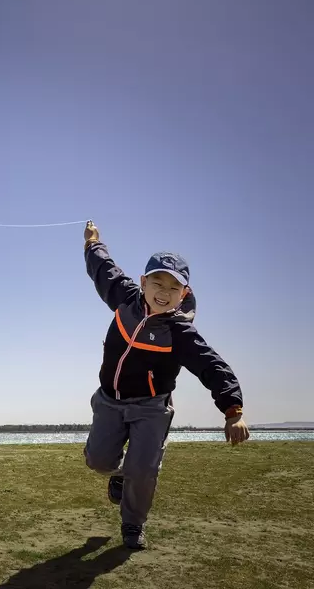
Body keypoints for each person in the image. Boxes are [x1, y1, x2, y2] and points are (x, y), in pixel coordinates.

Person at [82, 220, 249, 550]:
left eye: (174, 288)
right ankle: (118, 475)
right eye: (157, 282)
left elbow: (212, 366)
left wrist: (233, 410)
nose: (164, 292)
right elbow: (104, 269)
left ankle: (133, 525)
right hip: (109, 401)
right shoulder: (125, 299)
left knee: (143, 469)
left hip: (152, 408)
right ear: (143, 282)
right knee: (97, 461)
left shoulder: (180, 332)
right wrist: (92, 243)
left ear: (183, 294)